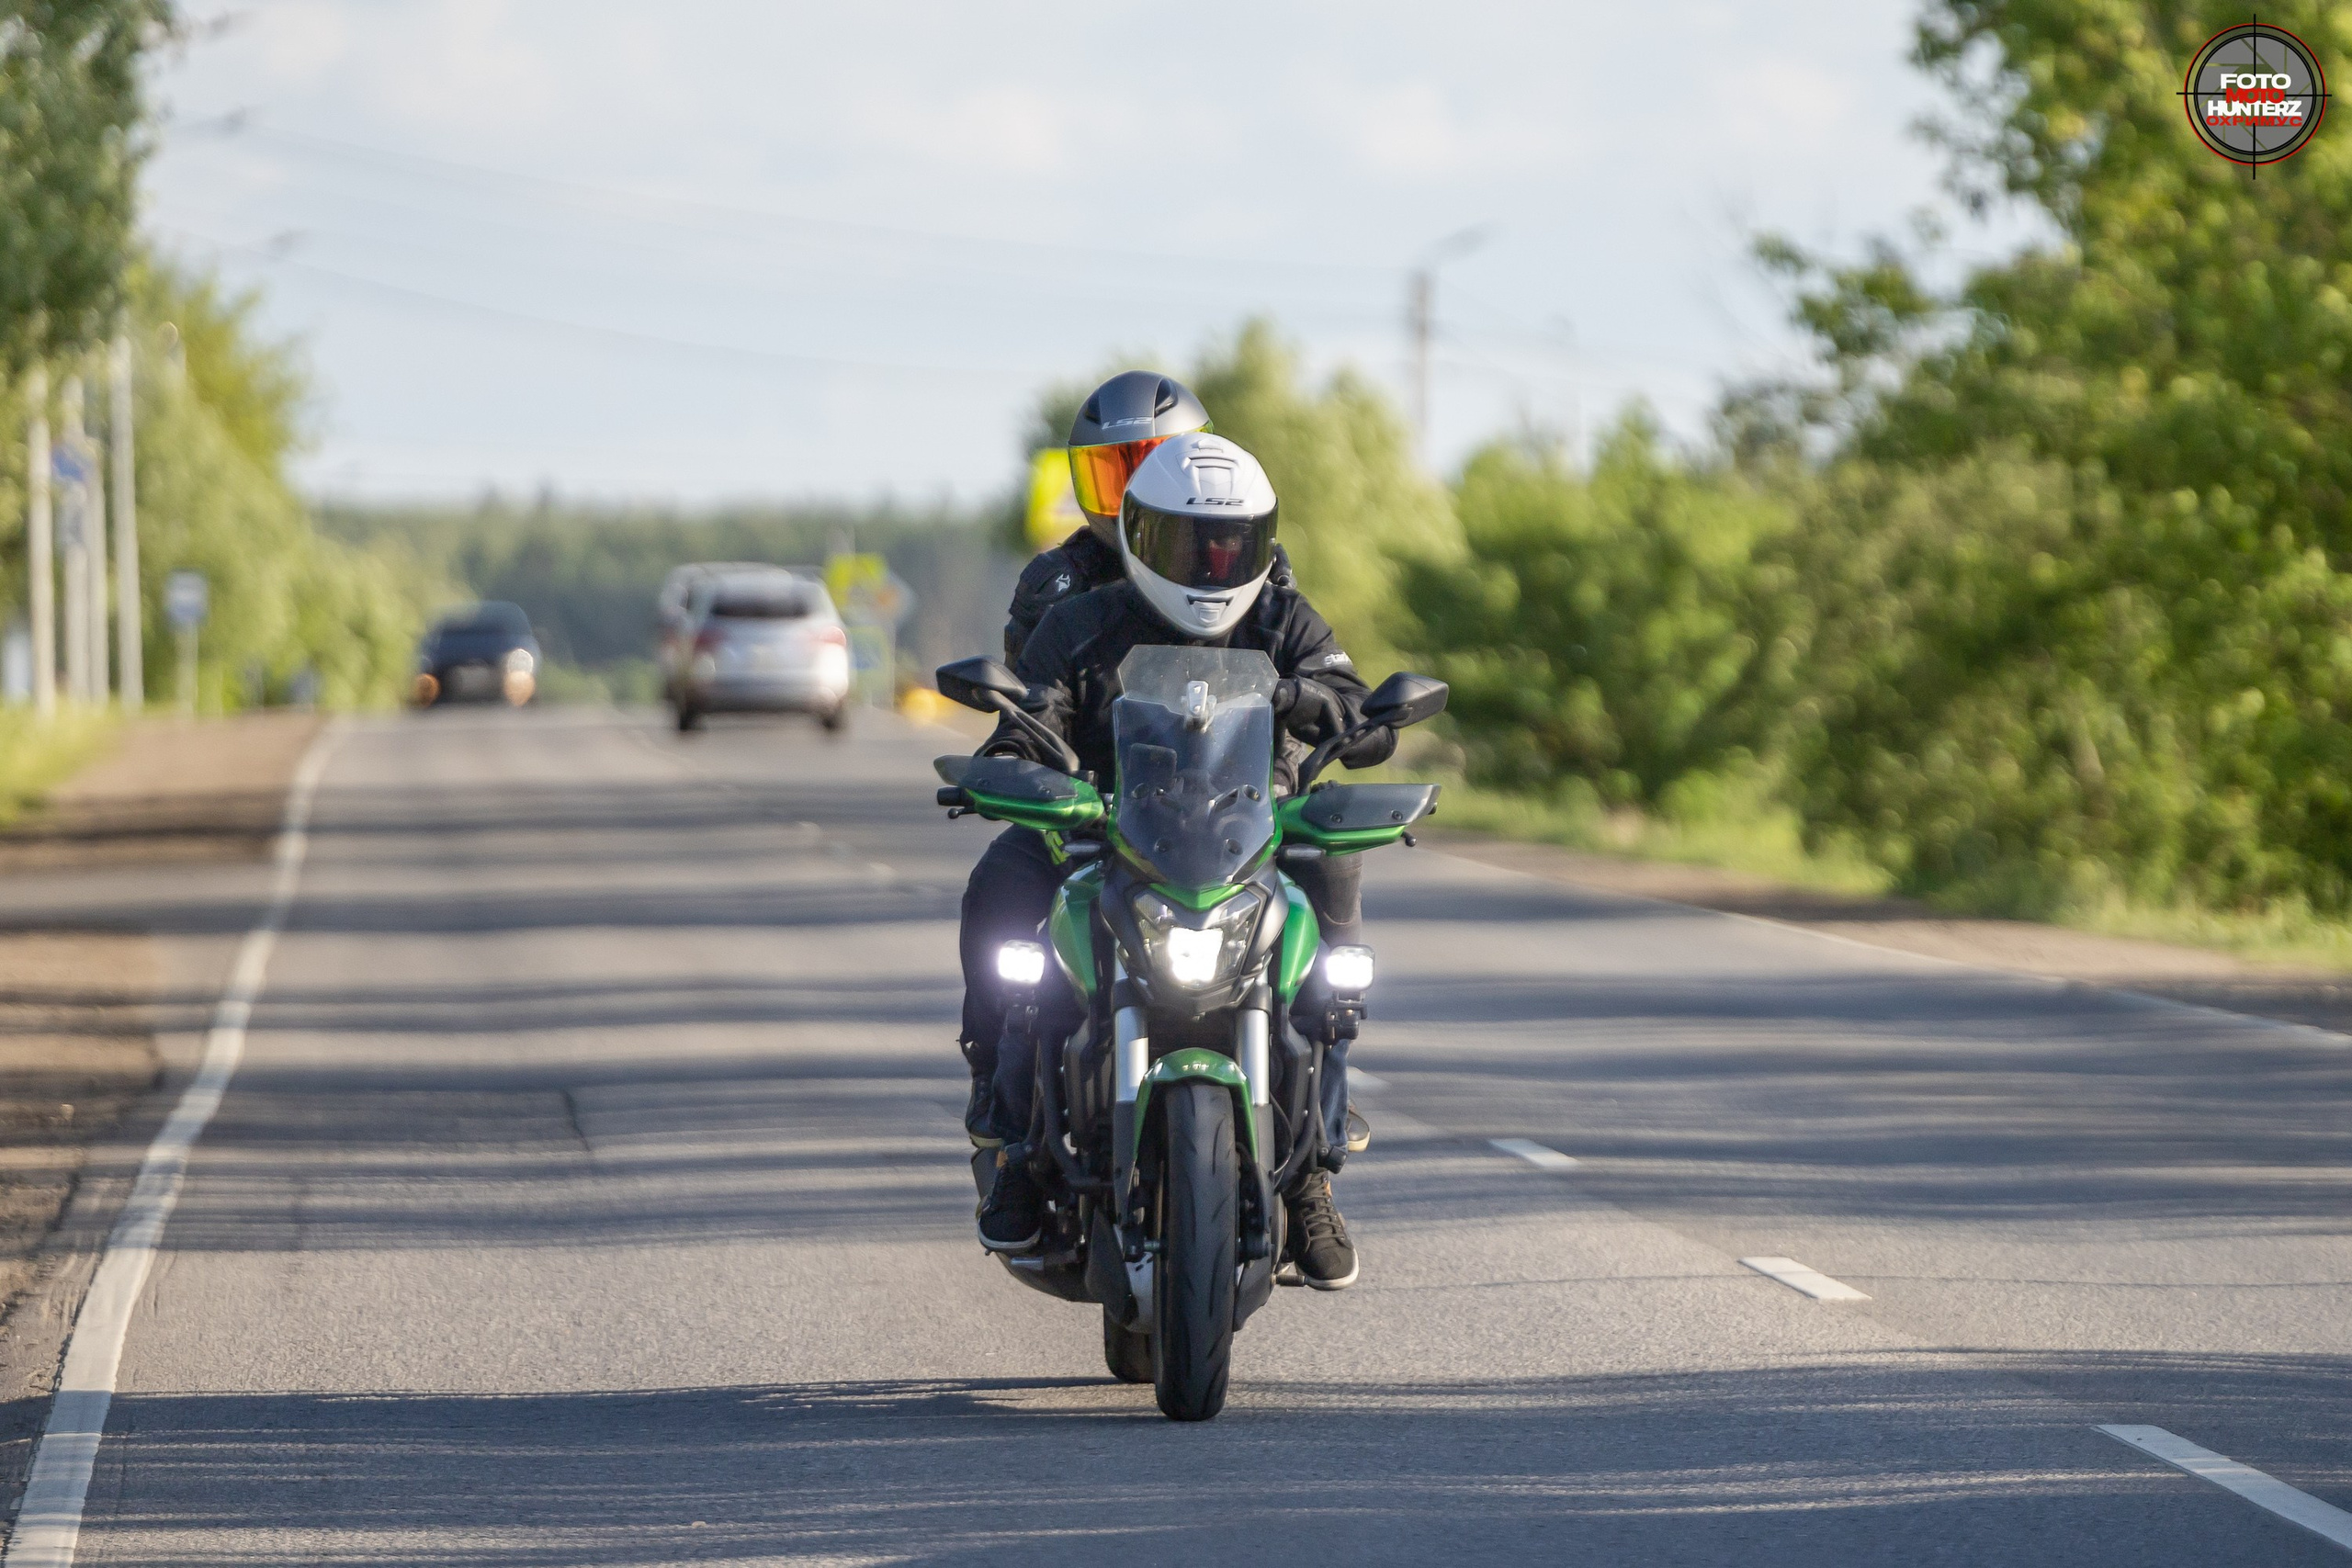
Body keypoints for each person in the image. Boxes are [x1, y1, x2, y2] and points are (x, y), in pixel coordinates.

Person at [963, 433, 1392, 1290]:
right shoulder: (1081, 621)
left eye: (1232, 543)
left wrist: (1304, 697)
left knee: (1332, 949)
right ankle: (1016, 1141)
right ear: (1142, 535)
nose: (1213, 563)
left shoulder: (1279, 615)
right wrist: (1020, 757)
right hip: (1113, 834)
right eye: (1191, 543)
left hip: (1247, 838)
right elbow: (1025, 718)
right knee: (1016, 924)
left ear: (1261, 542)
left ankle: (1313, 1173)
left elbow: (1357, 707)